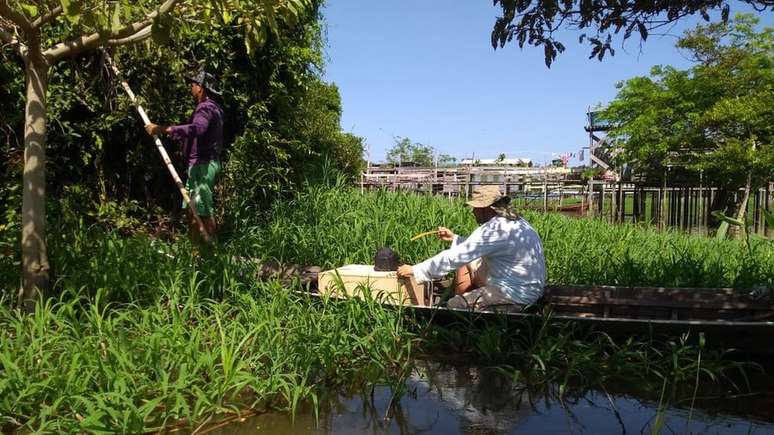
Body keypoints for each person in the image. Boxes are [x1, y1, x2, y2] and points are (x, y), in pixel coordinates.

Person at [397, 185, 546, 310]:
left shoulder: (494, 229)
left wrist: (415, 270)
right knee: (468, 261)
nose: (473, 211)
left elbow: (454, 258)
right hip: (526, 286)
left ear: (487, 208)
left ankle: (460, 303)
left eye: (476, 208)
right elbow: (475, 248)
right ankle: (465, 293)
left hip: (515, 294)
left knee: (454, 305)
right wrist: (454, 238)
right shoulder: (516, 222)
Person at [145, 70, 224, 244]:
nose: (191, 87)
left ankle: (213, 254)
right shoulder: (212, 108)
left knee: (202, 210)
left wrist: (163, 129)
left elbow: (198, 129)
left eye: (194, 84)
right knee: (194, 211)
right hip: (199, 166)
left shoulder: (206, 108)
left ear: (201, 89)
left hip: (202, 167)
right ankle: (196, 254)